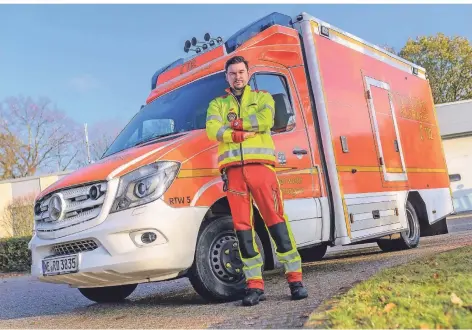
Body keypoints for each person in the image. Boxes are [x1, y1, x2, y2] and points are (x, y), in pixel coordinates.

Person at [205, 55, 308, 306]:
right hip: (233, 173)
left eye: (241, 72)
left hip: (261, 169)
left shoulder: (263, 98)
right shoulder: (217, 104)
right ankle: (254, 285)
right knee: (242, 230)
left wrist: (234, 125)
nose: (237, 76)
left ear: (248, 74)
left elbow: (266, 120)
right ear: (226, 77)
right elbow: (212, 130)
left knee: (276, 222)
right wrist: (241, 134)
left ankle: (295, 280)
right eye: (232, 73)